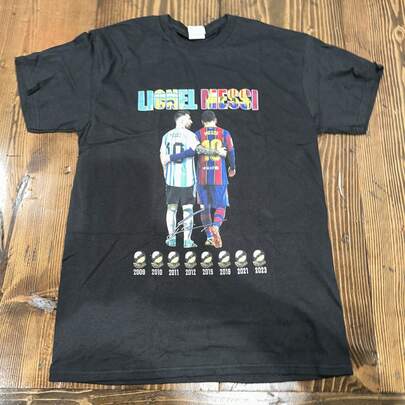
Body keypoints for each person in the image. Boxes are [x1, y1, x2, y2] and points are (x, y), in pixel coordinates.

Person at [195, 111, 236, 248]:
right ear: (216, 120)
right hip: (219, 176)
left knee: (204, 207)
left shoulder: (197, 134)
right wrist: (232, 167)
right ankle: (216, 226)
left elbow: (193, 152)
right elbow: (231, 151)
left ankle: (209, 237)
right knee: (221, 206)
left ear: (202, 122)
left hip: (202, 177)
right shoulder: (224, 133)